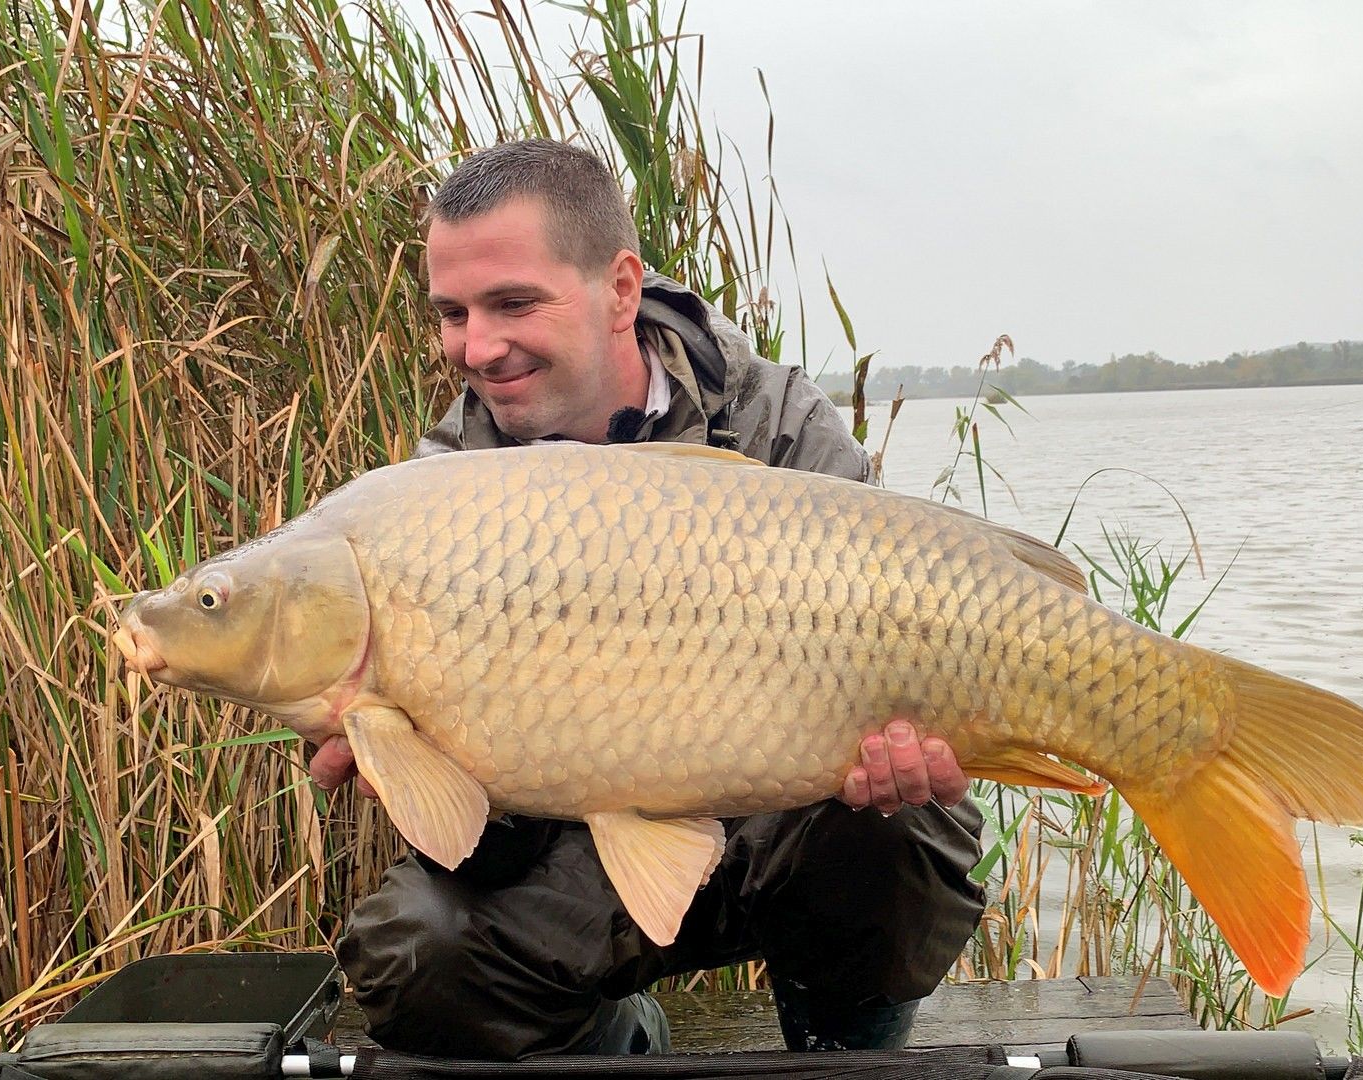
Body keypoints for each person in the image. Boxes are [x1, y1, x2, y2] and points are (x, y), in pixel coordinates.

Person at [311, 138, 986, 1060]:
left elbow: (908, 634)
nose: (478, 345)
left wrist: (924, 746)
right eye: (452, 312)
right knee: (421, 954)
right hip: (582, 843)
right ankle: (615, 1041)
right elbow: (476, 847)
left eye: (513, 303)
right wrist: (421, 756)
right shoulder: (435, 500)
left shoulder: (775, 423)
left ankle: (846, 1056)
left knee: (901, 832)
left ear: (621, 288)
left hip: (791, 819)